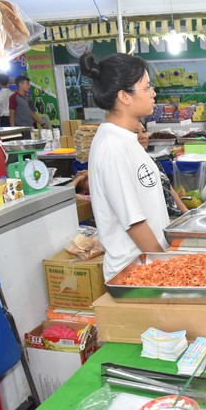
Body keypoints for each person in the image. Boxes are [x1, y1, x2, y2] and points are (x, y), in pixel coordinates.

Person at [79, 51, 170, 280]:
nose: (153, 93)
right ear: (124, 96)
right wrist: (167, 267)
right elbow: (134, 223)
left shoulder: (127, 139)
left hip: (149, 264)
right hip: (134, 272)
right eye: (147, 87)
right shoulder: (112, 146)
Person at [136, 122, 188, 218]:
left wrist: (186, 213)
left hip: (172, 216)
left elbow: (169, 187)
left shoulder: (152, 160)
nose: (142, 136)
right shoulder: (130, 166)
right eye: (135, 133)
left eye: (144, 131)